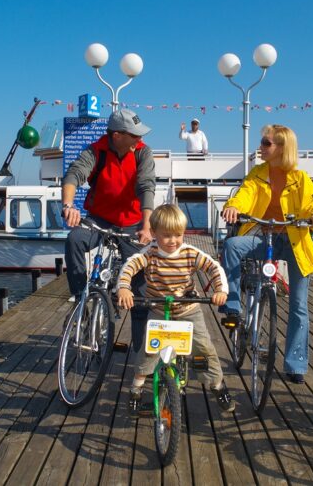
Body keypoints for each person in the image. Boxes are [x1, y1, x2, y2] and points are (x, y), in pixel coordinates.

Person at [221, 124, 313, 384]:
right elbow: (244, 195)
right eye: (262, 142)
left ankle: (295, 364)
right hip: (264, 236)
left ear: (282, 147)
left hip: (294, 241)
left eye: (266, 143)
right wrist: (233, 207)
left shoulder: (301, 179)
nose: (261, 147)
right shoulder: (257, 174)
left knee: (299, 306)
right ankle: (233, 306)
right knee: (232, 245)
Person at [116, 204, 235, 414]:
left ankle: (217, 385)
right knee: (149, 350)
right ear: (153, 234)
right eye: (166, 235)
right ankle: (135, 390)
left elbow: (213, 267)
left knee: (204, 348)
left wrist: (220, 290)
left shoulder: (190, 253)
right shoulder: (149, 253)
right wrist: (124, 288)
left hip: (189, 309)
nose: (173, 241)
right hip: (160, 310)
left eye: (178, 235)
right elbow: (130, 266)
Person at [61, 108, 155, 356]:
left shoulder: (143, 152)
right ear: (116, 135)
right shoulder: (96, 151)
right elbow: (74, 174)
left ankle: (140, 353)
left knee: (140, 287)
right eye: (133, 135)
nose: (139, 139)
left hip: (132, 223)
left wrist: (147, 225)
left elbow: (146, 185)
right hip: (99, 219)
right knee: (74, 240)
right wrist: (68, 206)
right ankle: (81, 301)